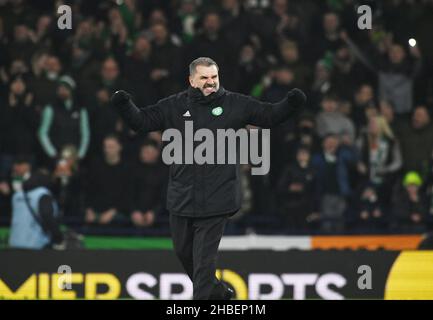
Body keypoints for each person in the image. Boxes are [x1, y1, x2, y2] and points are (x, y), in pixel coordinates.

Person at [111, 57, 306, 300]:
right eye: (204, 78)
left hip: (217, 199)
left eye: (213, 77)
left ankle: (205, 297)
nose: (210, 83)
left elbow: (269, 115)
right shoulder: (173, 106)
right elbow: (141, 121)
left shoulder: (235, 103)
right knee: (185, 254)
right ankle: (218, 292)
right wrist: (124, 104)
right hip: (182, 198)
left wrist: (291, 103)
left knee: (203, 263)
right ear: (191, 80)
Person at [9, 157, 64, 249]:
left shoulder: (17, 196)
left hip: (14, 243)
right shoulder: (42, 195)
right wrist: (58, 237)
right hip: (35, 245)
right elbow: (47, 216)